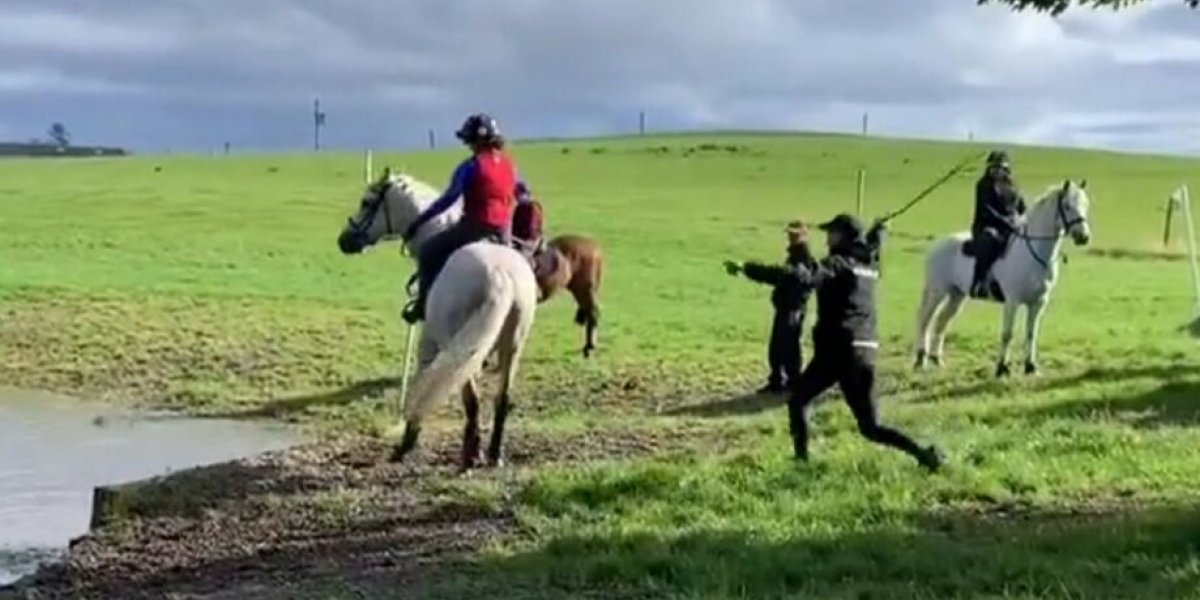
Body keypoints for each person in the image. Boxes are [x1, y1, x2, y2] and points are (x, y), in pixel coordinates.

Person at [786, 213, 944, 472]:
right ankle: (924, 454)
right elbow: (871, 247)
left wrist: (800, 247)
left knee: (798, 400)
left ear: (842, 237)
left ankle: (801, 462)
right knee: (871, 427)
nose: (827, 239)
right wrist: (880, 230)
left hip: (837, 350)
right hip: (866, 350)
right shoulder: (870, 267)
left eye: (832, 233)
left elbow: (811, 275)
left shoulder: (838, 264)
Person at [401, 113, 529, 324]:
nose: (468, 145)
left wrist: (420, 221)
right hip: (504, 231)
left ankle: (422, 306)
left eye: (469, 141)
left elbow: (450, 198)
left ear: (476, 140)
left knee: (428, 252)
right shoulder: (509, 164)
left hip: (475, 227)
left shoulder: (471, 166)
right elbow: (521, 191)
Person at [723, 220, 817, 394]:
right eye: (790, 233)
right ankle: (779, 381)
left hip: (793, 309)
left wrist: (747, 268)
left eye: (795, 234)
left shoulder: (803, 259)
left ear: (804, 236)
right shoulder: (796, 255)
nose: (791, 237)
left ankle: (791, 382)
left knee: (788, 347)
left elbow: (780, 274)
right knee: (778, 347)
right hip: (786, 308)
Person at [970, 150, 1027, 298]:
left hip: (1011, 226)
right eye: (993, 167)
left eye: (999, 167)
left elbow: (1021, 206)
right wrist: (1008, 223)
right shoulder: (983, 185)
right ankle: (980, 282)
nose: (995, 170)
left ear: (1006, 168)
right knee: (990, 240)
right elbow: (987, 210)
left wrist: (1024, 219)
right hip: (987, 225)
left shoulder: (1013, 185)